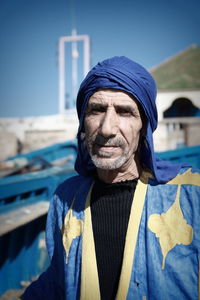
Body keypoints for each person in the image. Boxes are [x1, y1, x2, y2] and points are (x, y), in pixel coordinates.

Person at [21, 56, 200, 300]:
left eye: (125, 112)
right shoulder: (66, 198)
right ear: (83, 122)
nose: (107, 128)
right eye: (96, 110)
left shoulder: (191, 195)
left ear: (143, 126)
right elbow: (58, 280)